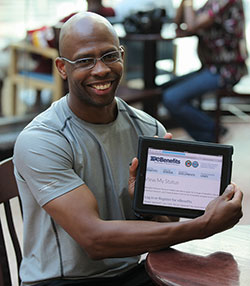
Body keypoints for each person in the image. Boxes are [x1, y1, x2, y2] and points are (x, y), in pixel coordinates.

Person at [13, 12, 243, 286]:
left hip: (132, 272)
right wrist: (202, 226)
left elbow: (167, 222)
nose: (101, 69)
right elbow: (95, 240)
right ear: (62, 67)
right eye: (85, 60)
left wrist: (148, 207)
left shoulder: (149, 129)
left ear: (122, 55)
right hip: (62, 281)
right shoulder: (42, 140)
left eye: (110, 56)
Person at [162, 0, 248, 142]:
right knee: (163, 89)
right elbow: (179, 23)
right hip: (210, 68)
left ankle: (215, 132)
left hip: (226, 70)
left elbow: (192, 25)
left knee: (172, 98)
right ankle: (207, 141)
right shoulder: (211, 3)